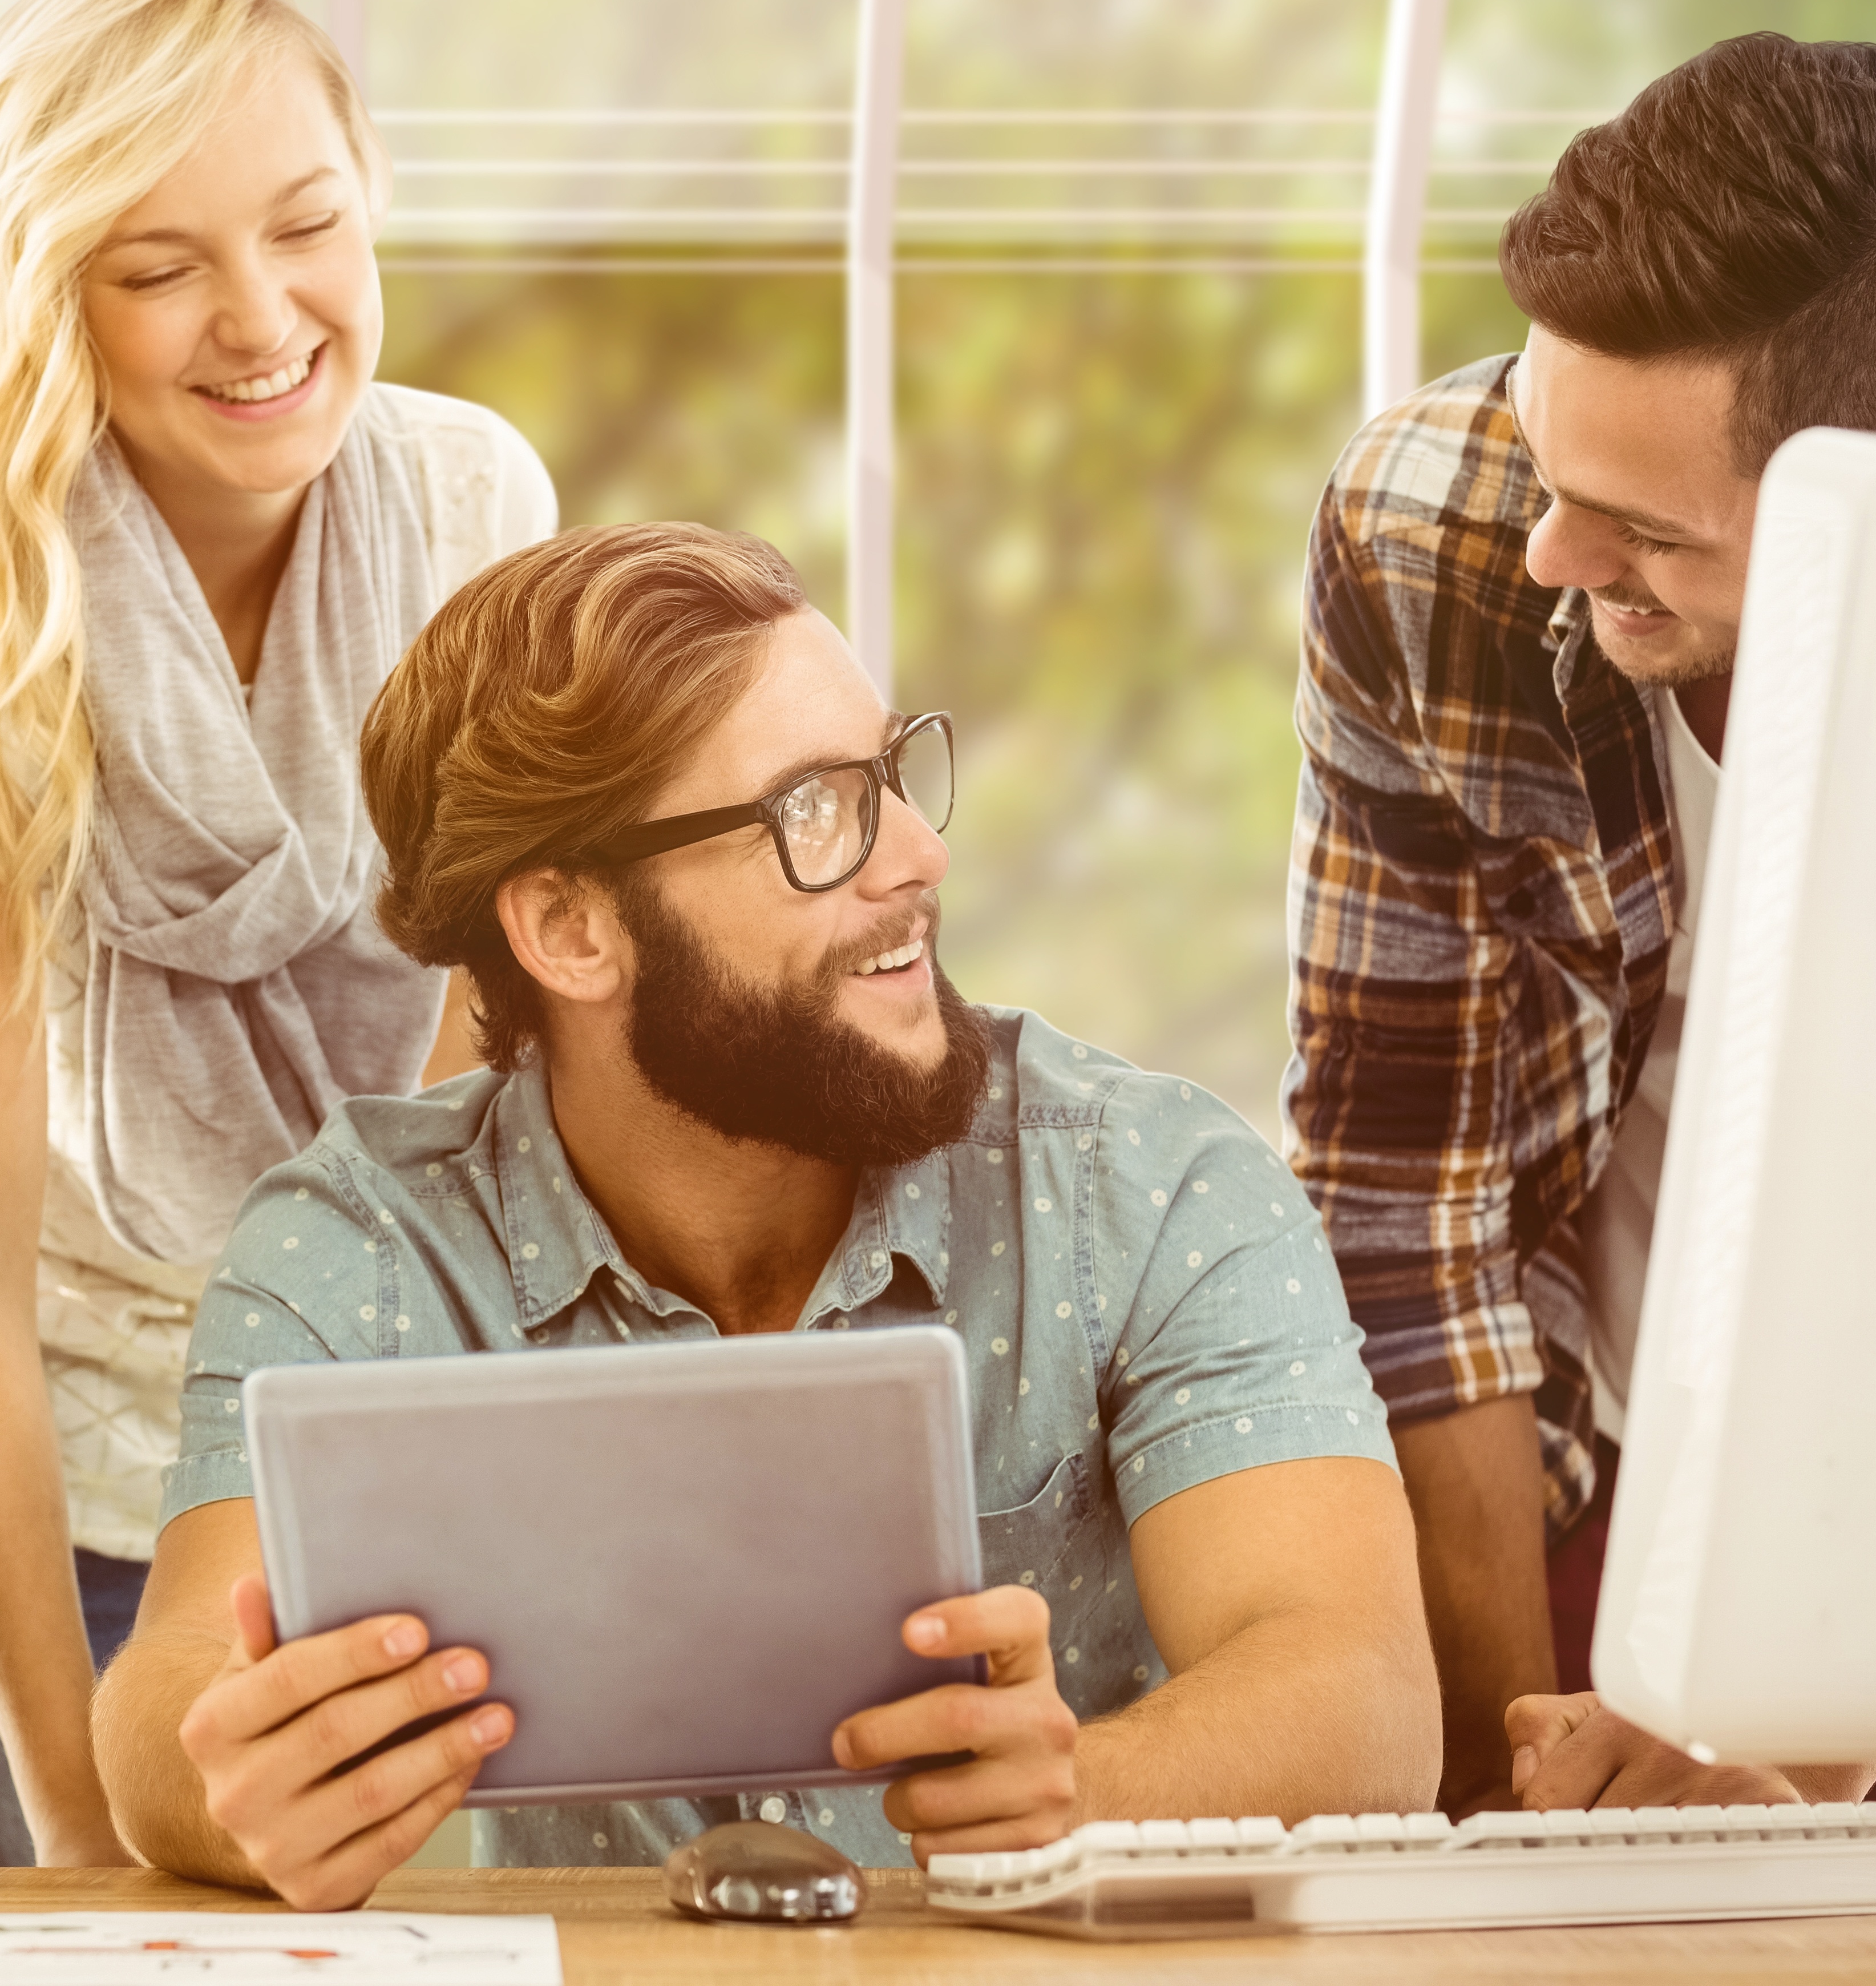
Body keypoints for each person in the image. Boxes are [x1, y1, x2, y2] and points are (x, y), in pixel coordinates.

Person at [91, 520, 1440, 1911]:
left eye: (892, 774)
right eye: (812, 813)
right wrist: (238, 1788)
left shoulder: (1151, 1186)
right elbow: (165, 1697)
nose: (918, 853)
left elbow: (1366, 1692)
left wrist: (1082, 1790)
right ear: (571, 930)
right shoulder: (361, 1243)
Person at [0, 0, 556, 1868]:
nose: (263, 317)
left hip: (318, 1447)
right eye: (158, 266)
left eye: (309, 226)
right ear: (47, 293)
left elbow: (460, 1116)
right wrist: (74, 1806)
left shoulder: (475, 512)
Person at [1284, 31, 1876, 1815]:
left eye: (1642, 526)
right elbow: (1406, 1195)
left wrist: (1801, 1725)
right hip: (1615, 1474)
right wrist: (1517, 1781)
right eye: (1546, 456)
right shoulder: (1435, 533)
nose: (1551, 554)